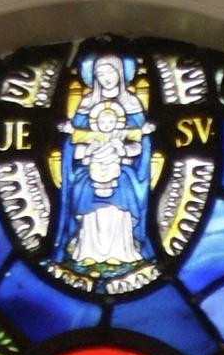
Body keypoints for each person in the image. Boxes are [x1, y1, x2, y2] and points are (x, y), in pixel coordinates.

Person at [54, 56, 155, 275]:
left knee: (124, 189)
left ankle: (123, 253)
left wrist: (124, 150)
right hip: (90, 167)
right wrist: (87, 150)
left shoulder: (131, 103)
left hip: (123, 168)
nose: (106, 79)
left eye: (110, 73)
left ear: (120, 73)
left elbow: (139, 144)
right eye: (100, 75)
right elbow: (75, 143)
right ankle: (85, 252)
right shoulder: (87, 103)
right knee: (83, 189)